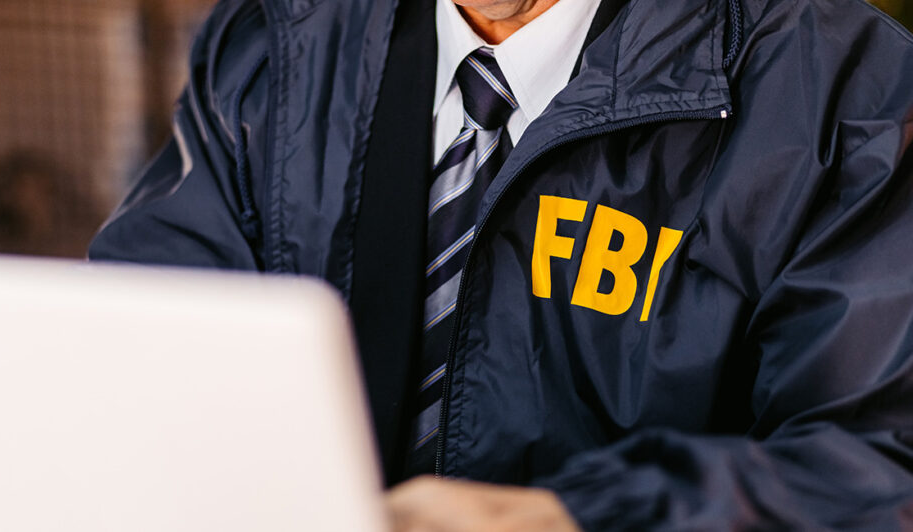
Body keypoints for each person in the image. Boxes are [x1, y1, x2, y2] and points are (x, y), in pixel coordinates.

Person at [89, 0, 913, 529]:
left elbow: (880, 466)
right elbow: (140, 352)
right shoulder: (281, 40)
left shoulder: (839, 91)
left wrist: (579, 519)